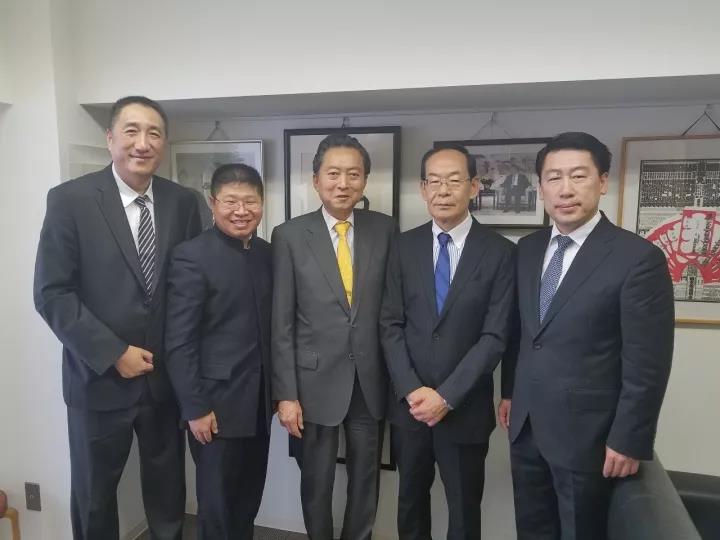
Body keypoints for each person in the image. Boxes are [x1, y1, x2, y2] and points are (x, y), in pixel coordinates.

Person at [33, 96, 201, 539]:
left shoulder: (183, 203)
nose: (142, 143)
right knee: (94, 498)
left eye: (154, 133)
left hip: (164, 382)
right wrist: (113, 352)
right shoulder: (70, 200)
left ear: (164, 143)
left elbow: (190, 287)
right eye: (131, 131)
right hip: (97, 382)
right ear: (110, 139)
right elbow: (52, 293)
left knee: (169, 496)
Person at [500, 132, 674, 540]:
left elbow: (647, 362)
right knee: (532, 528)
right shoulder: (527, 249)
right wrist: (509, 392)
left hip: (589, 435)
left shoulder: (637, 258)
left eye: (578, 176)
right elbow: (522, 333)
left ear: (602, 181)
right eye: (554, 177)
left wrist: (629, 439)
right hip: (527, 425)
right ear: (541, 186)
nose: (565, 189)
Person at [380, 145, 516, 539]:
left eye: (454, 180)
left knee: (464, 511)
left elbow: (495, 336)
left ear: (473, 186)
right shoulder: (402, 247)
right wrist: (412, 390)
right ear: (423, 189)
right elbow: (390, 324)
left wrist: (446, 396)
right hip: (410, 409)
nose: (443, 190)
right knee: (410, 505)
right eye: (434, 181)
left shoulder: (501, 252)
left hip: (464, 409)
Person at [271, 134, 396, 540]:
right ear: (316, 179)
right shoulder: (289, 235)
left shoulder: (385, 229)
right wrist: (286, 394)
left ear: (365, 181)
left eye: (353, 174)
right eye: (334, 173)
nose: (343, 183)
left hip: (369, 379)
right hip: (312, 382)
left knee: (366, 480)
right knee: (316, 481)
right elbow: (281, 323)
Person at [165, 163, 271, 540]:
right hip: (214, 408)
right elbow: (179, 341)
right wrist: (195, 407)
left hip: (258, 404)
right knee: (216, 508)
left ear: (262, 203)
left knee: (248, 501)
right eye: (231, 202)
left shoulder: (267, 253)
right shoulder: (191, 255)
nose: (241, 211)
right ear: (213, 203)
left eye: (250, 202)